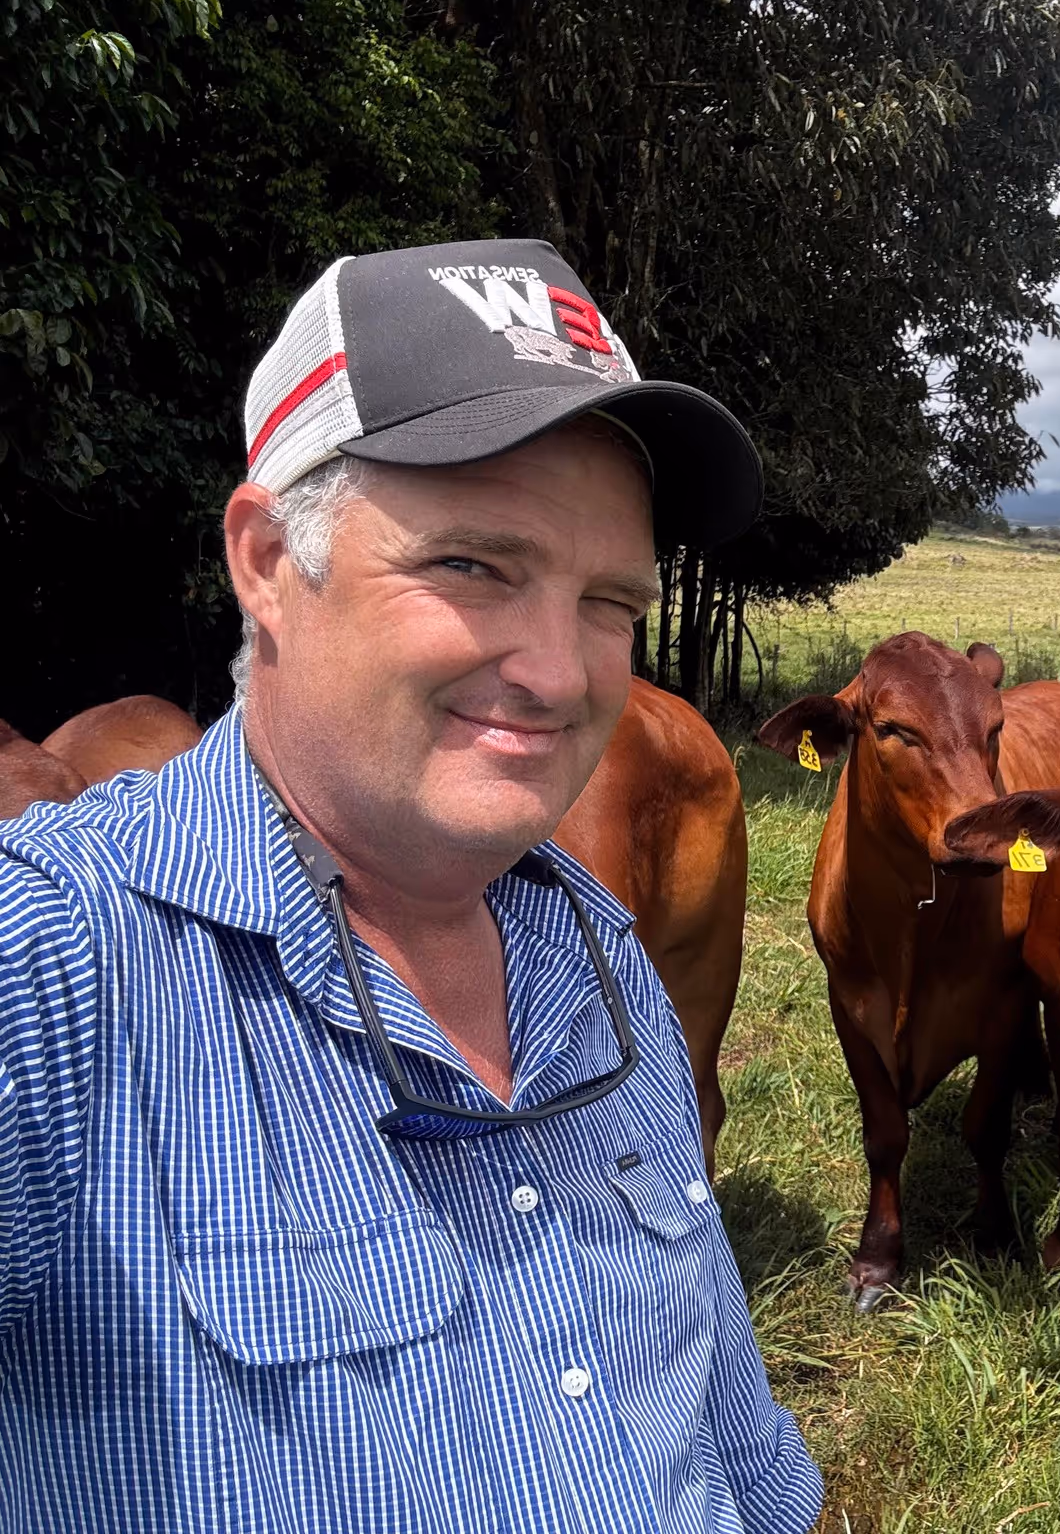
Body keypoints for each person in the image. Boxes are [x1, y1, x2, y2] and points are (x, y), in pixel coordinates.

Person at [0, 239, 824, 1533]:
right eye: (473, 566)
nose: (560, 672)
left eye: (610, 599)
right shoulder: (52, 968)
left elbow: (732, 1429)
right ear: (268, 561)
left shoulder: (601, 957)